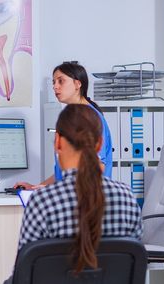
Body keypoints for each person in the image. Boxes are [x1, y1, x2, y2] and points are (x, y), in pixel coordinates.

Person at [0, 104, 142, 284]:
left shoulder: (43, 201)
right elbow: (133, 273)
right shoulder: (127, 197)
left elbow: (22, 278)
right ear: (100, 144)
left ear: (57, 142)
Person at [15, 61, 112, 189]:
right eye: (54, 82)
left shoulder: (90, 119)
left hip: (89, 199)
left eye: (61, 81)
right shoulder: (73, 118)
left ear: (77, 84)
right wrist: (37, 187)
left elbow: (98, 166)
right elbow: (63, 172)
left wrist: (54, 190)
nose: (55, 86)